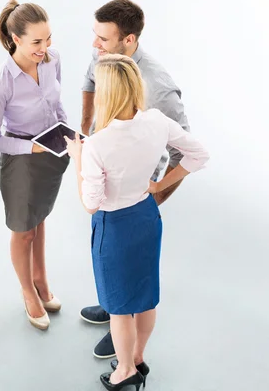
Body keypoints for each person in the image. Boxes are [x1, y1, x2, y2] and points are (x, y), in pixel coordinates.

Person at [65, 53, 209, 390]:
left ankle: (125, 370)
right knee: (144, 297)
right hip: (146, 217)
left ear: (107, 94)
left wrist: (78, 158)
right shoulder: (157, 120)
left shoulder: (97, 145)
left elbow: (90, 204)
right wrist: (160, 184)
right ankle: (139, 357)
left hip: (113, 227)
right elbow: (199, 154)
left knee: (118, 309)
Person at [79, 0, 192, 360]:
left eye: (103, 39)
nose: (94, 45)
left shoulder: (158, 88)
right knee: (109, 260)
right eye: (94, 36)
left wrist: (155, 194)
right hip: (104, 175)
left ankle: (122, 326)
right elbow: (88, 80)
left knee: (127, 261)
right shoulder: (104, 54)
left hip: (133, 197)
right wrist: (86, 129)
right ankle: (114, 305)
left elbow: (182, 151)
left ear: (128, 41)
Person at [0, 0, 66, 330]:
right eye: (36, 42)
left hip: (51, 154)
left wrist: (65, 131)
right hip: (21, 162)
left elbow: (56, 104)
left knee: (40, 220)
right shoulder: (1, 82)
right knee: (23, 231)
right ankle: (28, 292)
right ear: (15, 38)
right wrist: (30, 148)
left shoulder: (52, 59)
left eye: (48, 39)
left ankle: (42, 281)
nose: (45, 48)